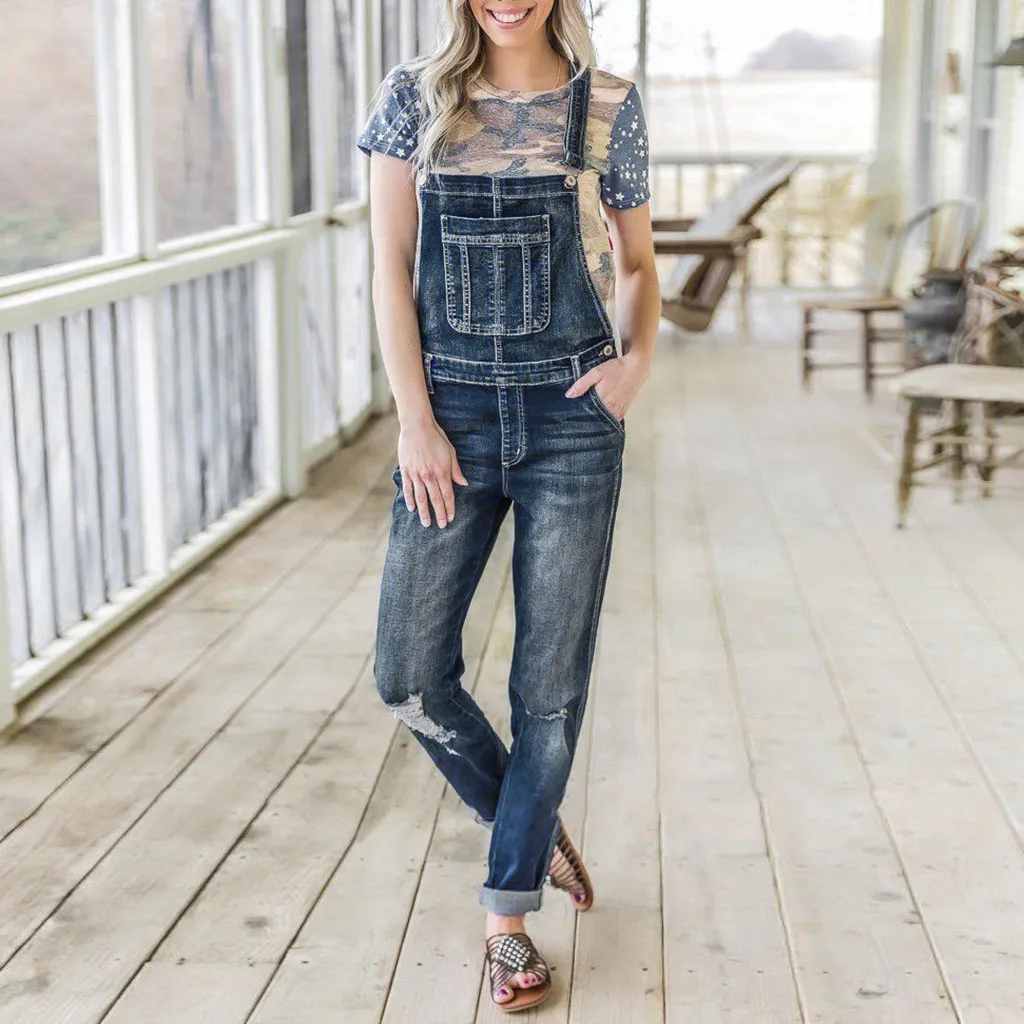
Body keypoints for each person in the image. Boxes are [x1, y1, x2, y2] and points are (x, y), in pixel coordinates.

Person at [357, 0, 659, 1012]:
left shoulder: (606, 104)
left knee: (549, 691)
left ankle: (507, 920)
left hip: (572, 418)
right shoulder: (413, 99)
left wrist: (635, 366)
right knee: (407, 675)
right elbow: (387, 269)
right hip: (448, 420)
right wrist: (414, 422)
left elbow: (637, 263)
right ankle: (526, 823)